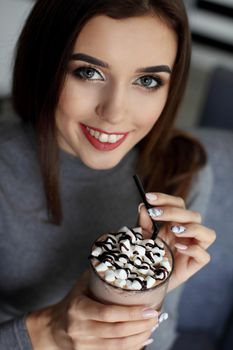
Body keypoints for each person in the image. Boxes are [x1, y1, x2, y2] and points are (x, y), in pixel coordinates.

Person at [0, 0, 216, 349]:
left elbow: (161, 340)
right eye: (88, 72)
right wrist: (48, 330)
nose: (114, 113)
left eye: (147, 80)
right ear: (46, 65)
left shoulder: (182, 167)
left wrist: (146, 294)